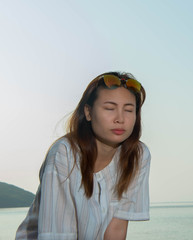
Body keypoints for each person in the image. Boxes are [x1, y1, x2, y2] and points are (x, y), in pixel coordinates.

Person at [16, 72, 151, 240]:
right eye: (109, 108)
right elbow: (57, 235)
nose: (120, 119)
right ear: (88, 112)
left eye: (129, 110)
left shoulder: (137, 156)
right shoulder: (64, 154)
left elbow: (116, 230)